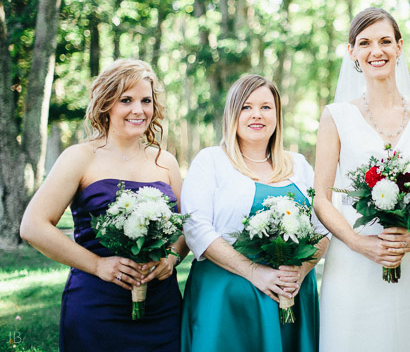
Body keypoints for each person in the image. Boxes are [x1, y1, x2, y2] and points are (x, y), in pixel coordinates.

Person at [20, 59, 186, 352]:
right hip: (97, 305)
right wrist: (98, 265)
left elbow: (186, 226)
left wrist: (171, 259)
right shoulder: (80, 157)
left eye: (146, 100)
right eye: (126, 100)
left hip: (162, 307)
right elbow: (33, 226)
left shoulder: (165, 161)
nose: (139, 110)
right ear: (106, 104)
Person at [314, 7, 410, 352]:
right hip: (351, 263)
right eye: (365, 43)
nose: (377, 51)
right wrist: (360, 244)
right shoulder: (336, 117)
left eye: (386, 41)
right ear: (352, 52)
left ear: (399, 47)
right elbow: (322, 198)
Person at [180, 74, 329, 352]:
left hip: (292, 295)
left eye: (266, 107)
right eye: (246, 107)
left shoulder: (299, 165)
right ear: (232, 115)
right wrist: (254, 272)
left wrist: (300, 271)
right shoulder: (211, 161)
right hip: (228, 300)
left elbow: (324, 227)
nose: (256, 115)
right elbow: (196, 228)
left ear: (277, 115)